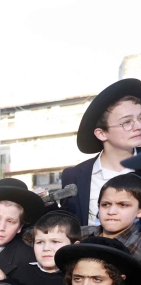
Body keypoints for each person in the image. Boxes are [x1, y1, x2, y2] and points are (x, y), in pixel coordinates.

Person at [61, 79, 141, 226]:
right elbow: (68, 224)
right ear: (101, 134)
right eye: (127, 122)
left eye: (140, 118)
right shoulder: (74, 177)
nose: (138, 126)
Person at [9, 211, 81, 285]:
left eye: (55, 242)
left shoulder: (78, 280)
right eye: (40, 242)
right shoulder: (21, 273)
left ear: (74, 246)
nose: (46, 248)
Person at [82, 172, 141, 259]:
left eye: (123, 205)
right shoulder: (79, 234)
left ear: (139, 211)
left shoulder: (138, 247)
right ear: (98, 206)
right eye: (106, 204)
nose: (111, 211)